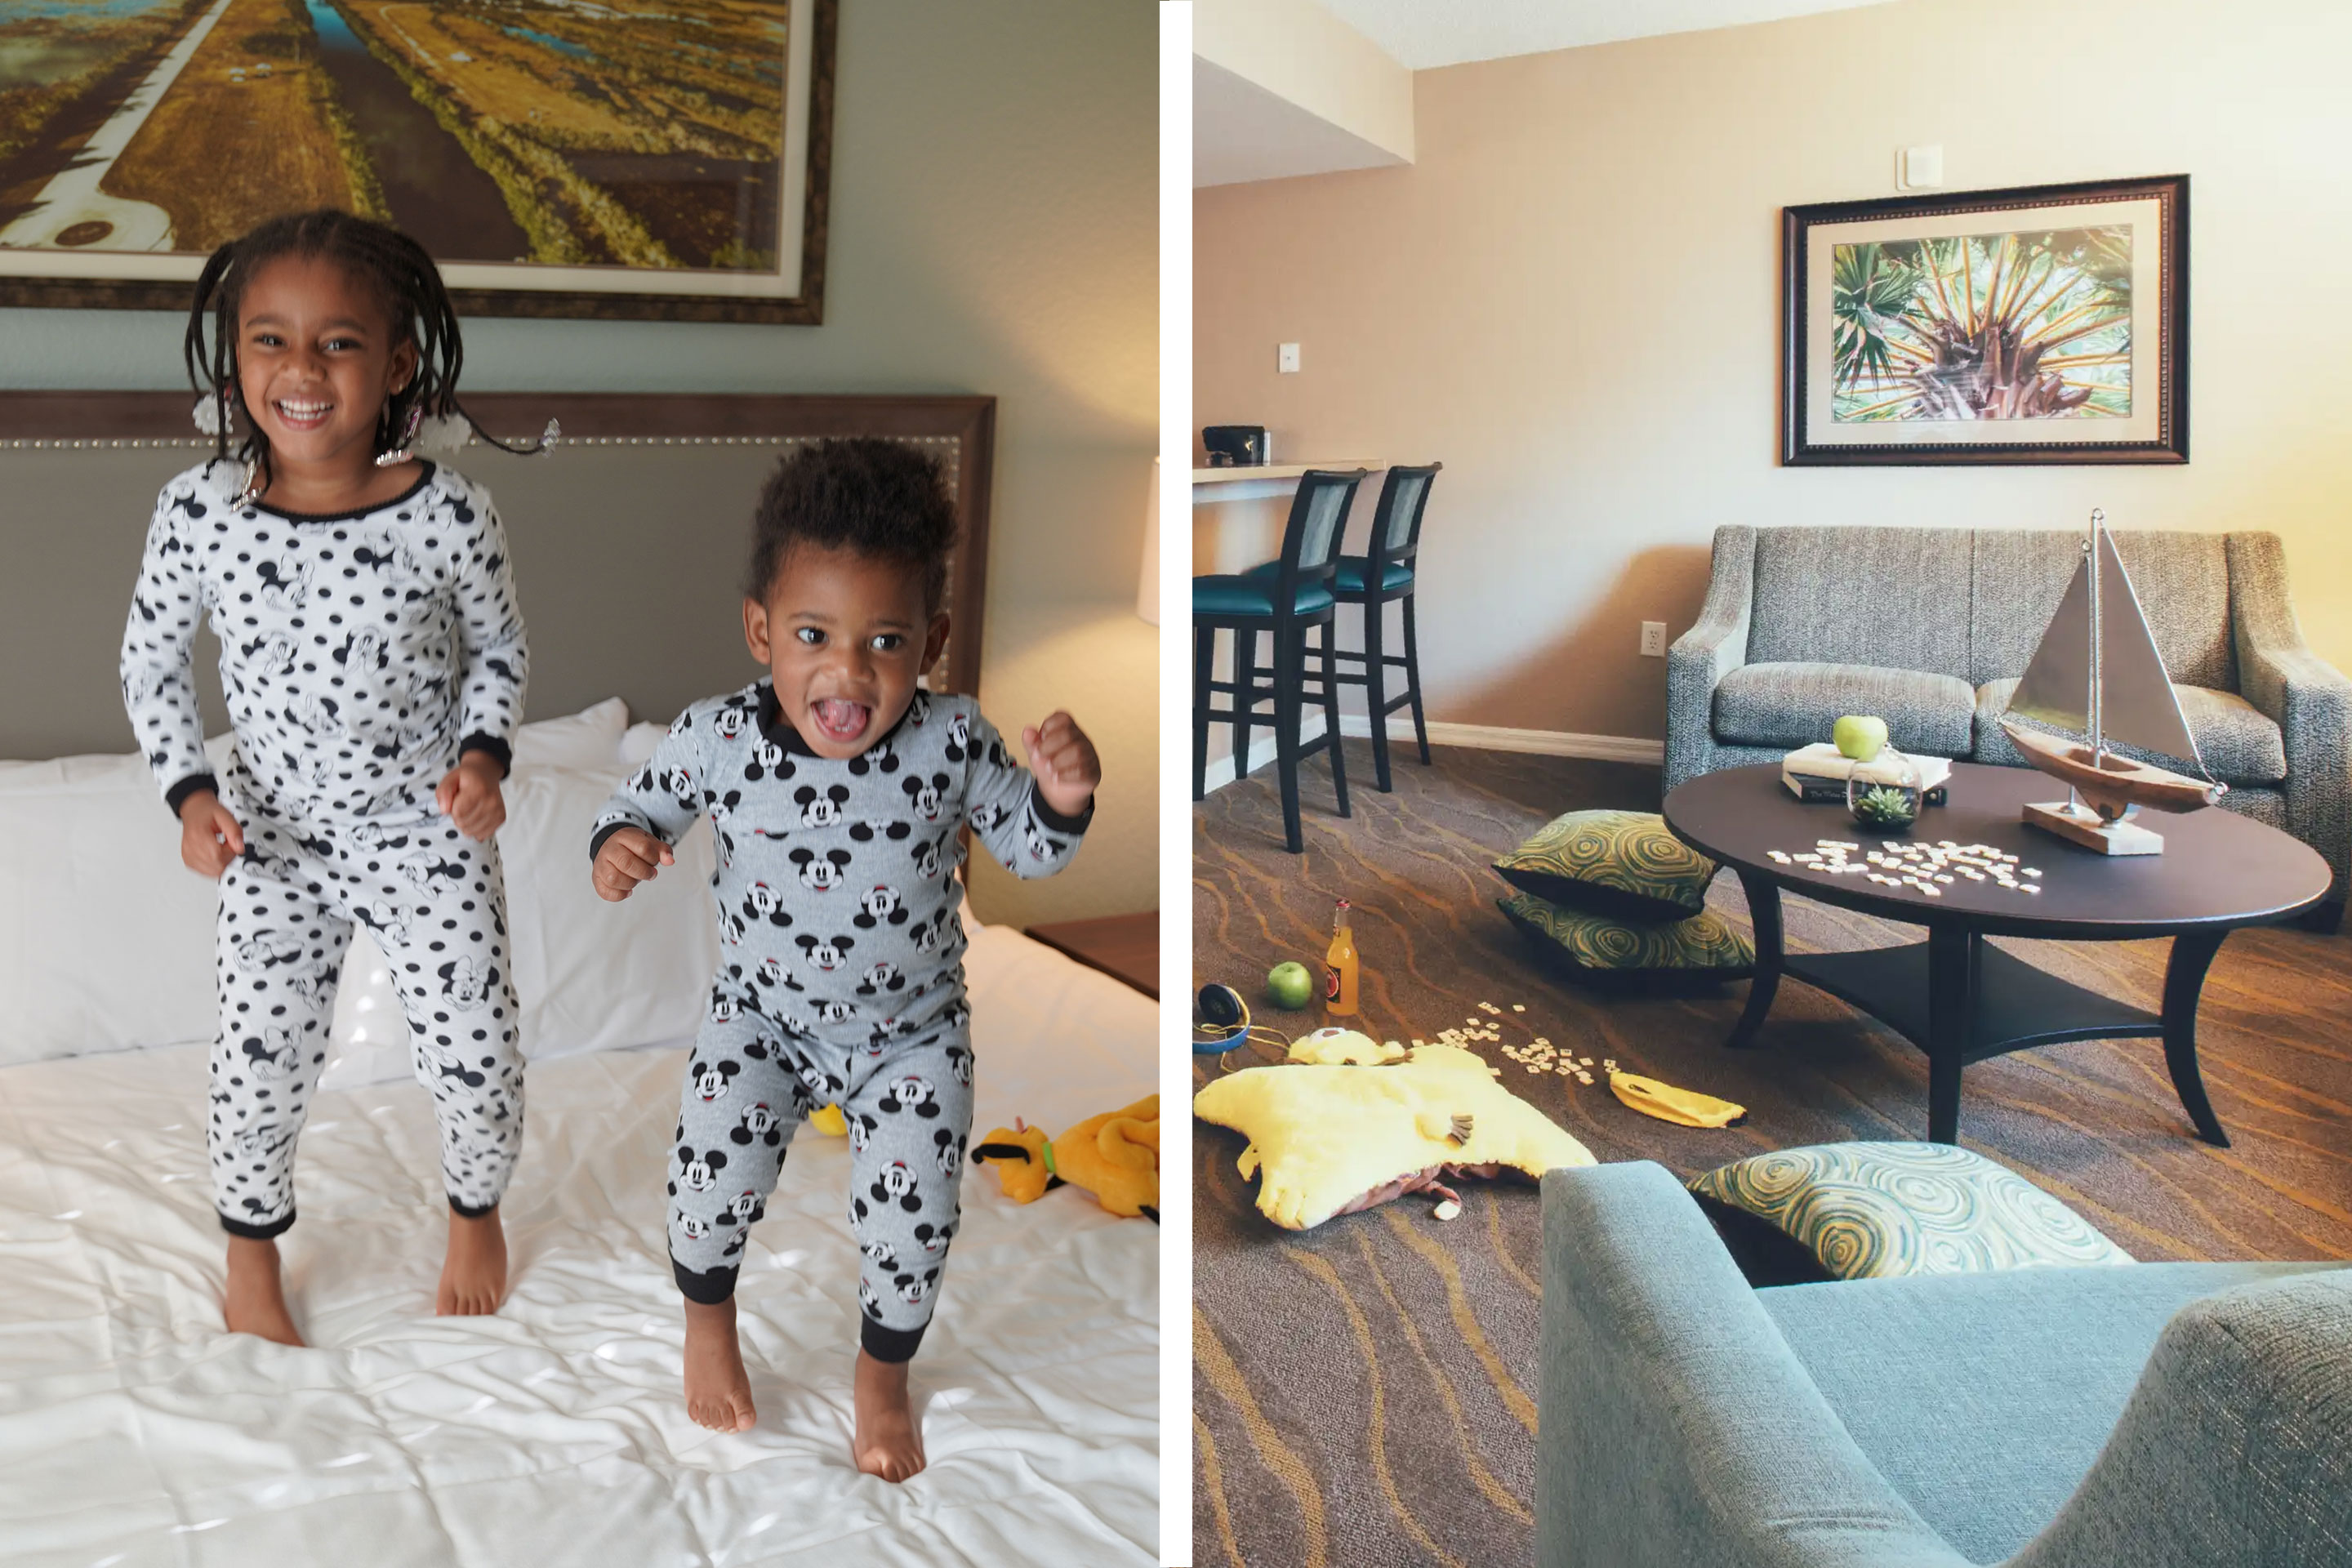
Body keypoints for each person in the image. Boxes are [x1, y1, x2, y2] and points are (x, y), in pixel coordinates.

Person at [589, 438, 1098, 1481]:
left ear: (932, 642)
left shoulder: (953, 741)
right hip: (761, 1018)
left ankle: (880, 1377)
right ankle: (708, 1321)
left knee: (915, 1214)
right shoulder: (718, 738)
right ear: (760, 630)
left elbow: (1030, 851)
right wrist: (619, 846)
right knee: (707, 1172)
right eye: (815, 635)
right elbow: (640, 803)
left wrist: (1062, 795)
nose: (849, 673)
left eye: (886, 642)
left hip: (910, 1034)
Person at [119, 209, 537, 1347]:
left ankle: (474, 1212)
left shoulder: (449, 515)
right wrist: (189, 795)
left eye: (339, 343)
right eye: (270, 340)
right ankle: (250, 1254)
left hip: (421, 826)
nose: (301, 371)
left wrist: (483, 757)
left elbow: (500, 651)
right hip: (274, 835)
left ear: (397, 363)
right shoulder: (198, 512)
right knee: (259, 1056)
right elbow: (151, 660)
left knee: (474, 1040)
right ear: (234, 356)